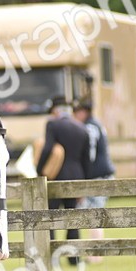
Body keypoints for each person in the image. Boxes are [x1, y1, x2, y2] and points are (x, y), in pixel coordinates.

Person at [36, 97, 89, 260]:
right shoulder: (81, 128)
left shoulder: (52, 124)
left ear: (55, 110)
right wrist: (84, 184)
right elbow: (86, 160)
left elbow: (47, 149)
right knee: (72, 219)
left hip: (56, 176)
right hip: (76, 176)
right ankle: (74, 258)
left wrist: (39, 169)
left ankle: (51, 256)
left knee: (50, 218)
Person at [73, 101, 115, 260]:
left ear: (83, 111)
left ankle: (96, 255)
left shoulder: (90, 128)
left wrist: (82, 178)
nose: (75, 115)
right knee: (94, 216)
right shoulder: (97, 125)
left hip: (96, 176)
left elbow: (89, 155)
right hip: (102, 174)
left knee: (94, 217)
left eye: (77, 111)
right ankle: (96, 254)